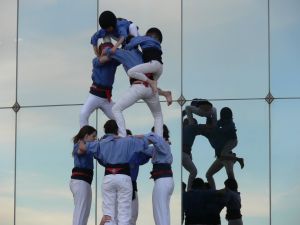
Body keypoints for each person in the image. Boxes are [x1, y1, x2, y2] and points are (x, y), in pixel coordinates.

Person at [78, 120, 153, 225]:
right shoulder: (128, 141)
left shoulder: (101, 143)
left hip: (108, 176)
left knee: (109, 215)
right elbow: (149, 140)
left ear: (105, 131)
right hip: (124, 176)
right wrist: (135, 137)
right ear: (117, 130)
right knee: (124, 215)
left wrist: (84, 141)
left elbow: (82, 147)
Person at [100, 47, 172, 137]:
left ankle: (123, 136)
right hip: (150, 89)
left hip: (138, 86)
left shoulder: (124, 53)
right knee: (158, 115)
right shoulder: (142, 54)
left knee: (116, 109)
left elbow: (104, 54)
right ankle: (159, 140)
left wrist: (106, 49)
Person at [79, 39, 120, 127]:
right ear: (101, 53)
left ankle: (122, 138)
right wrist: (113, 52)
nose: (107, 53)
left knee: (118, 118)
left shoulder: (113, 62)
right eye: (105, 51)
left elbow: (124, 56)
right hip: (95, 95)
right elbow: (103, 59)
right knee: (83, 114)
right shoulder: (96, 60)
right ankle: (84, 138)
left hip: (106, 98)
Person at [142, 125, 174, 225]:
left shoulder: (163, 145)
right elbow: (143, 149)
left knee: (160, 212)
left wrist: (137, 137)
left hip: (163, 181)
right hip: (164, 181)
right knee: (162, 211)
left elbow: (151, 137)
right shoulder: (158, 148)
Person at [205, 107, 244, 189]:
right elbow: (215, 125)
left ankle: (237, 159)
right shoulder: (220, 123)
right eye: (224, 118)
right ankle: (213, 192)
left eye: (227, 118)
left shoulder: (230, 124)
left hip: (233, 142)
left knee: (230, 174)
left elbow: (222, 130)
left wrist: (215, 129)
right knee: (208, 174)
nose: (225, 120)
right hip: (221, 157)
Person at [69, 125, 97, 225]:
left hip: (85, 182)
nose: (95, 139)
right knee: (80, 212)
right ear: (86, 136)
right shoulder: (80, 144)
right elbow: (80, 150)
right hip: (80, 181)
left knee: (84, 212)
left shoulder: (87, 145)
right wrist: (84, 143)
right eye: (93, 136)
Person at [125, 27, 163, 93]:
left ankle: (151, 82)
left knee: (130, 72)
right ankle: (166, 94)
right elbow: (139, 38)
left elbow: (130, 45)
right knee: (151, 89)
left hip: (153, 65)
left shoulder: (144, 38)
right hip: (160, 68)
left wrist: (125, 46)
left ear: (147, 35)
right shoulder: (157, 44)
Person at [182, 117, 206, 191]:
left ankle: (189, 188)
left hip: (184, 154)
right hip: (184, 154)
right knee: (193, 171)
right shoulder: (191, 128)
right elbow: (205, 128)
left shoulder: (183, 129)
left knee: (192, 171)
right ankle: (189, 189)